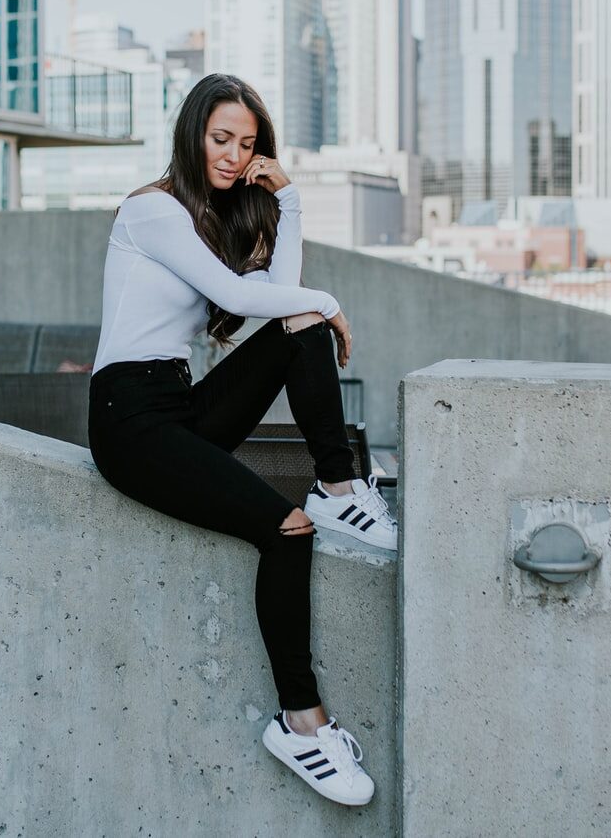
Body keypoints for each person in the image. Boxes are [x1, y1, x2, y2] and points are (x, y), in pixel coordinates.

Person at [88, 73, 395, 807]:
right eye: (220, 138)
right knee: (284, 531)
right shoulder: (152, 210)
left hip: (177, 403)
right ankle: (301, 723)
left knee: (303, 327)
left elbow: (281, 301)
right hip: (127, 419)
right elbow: (240, 298)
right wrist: (328, 302)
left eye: (247, 145)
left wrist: (287, 201)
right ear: (192, 131)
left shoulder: (215, 221)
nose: (231, 156)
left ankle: (339, 485)